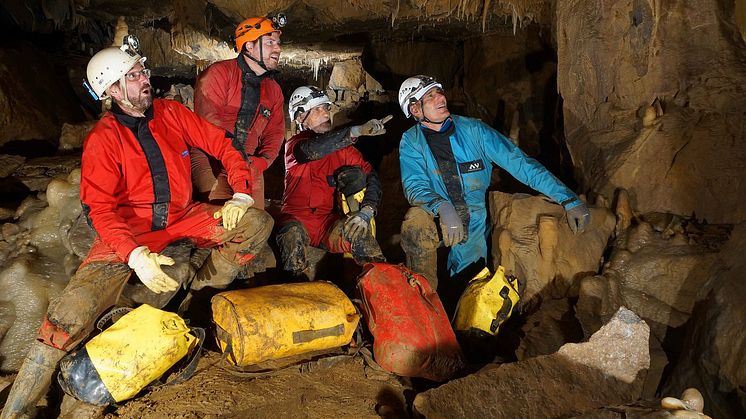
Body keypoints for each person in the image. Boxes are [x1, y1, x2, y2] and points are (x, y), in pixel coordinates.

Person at [1, 39, 272, 418]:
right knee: (68, 314)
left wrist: (242, 192)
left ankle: (201, 295)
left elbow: (223, 143)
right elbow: (100, 209)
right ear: (113, 90)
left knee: (256, 223)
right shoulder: (104, 140)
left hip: (183, 216)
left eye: (142, 71)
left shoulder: (171, 113)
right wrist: (134, 255)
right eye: (133, 75)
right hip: (129, 233)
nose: (145, 78)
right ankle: (17, 408)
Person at [397, 75, 591, 293]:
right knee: (415, 222)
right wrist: (442, 206)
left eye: (439, 92)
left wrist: (567, 198)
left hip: (475, 219)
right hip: (438, 216)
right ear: (415, 110)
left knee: (469, 284)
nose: (441, 98)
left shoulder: (474, 131)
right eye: (430, 96)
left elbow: (522, 165)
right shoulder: (411, 141)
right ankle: (424, 295)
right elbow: (414, 185)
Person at [277, 86, 390, 276]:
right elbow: (313, 149)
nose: (325, 114)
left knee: (361, 237)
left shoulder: (343, 149)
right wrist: (356, 131)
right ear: (299, 117)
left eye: (326, 108)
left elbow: (371, 177)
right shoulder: (294, 146)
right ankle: (294, 294)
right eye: (317, 109)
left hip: (327, 224)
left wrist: (367, 211)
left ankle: (384, 294)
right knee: (292, 238)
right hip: (295, 220)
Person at [191, 14, 286, 208]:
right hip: (213, 159)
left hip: (250, 163)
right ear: (249, 46)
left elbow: (275, 133)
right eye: (270, 42)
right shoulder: (219, 74)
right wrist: (235, 158)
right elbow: (209, 123)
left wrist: (263, 161)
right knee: (220, 220)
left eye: (277, 43)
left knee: (256, 224)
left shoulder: (274, 90)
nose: (277, 49)